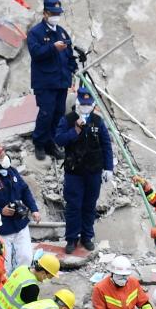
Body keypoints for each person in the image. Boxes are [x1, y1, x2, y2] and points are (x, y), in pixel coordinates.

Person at [54, 87, 114, 253]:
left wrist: (109, 168)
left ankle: (87, 236)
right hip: (74, 172)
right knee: (73, 206)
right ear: (78, 102)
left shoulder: (98, 121)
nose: (86, 107)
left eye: (89, 104)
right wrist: (75, 130)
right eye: (83, 104)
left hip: (93, 172)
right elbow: (59, 139)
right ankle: (71, 239)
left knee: (89, 205)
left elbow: (106, 145)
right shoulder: (68, 120)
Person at [0, 143, 41, 273]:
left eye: (4, 153)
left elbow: (25, 190)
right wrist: (0, 211)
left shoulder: (12, 172)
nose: (5, 157)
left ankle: (23, 285)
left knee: (26, 258)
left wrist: (34, 209)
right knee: (6, 265)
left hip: (21, 224)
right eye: (0, 155)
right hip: (3, 230)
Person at [27, 0, 77, 162]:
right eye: (53, 13)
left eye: (58, 13)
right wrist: (52, 48)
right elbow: (36, 53)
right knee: (46, 113)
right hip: (45, 82)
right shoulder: (36, 33)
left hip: (61, 81)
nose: (56, 16)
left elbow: (69, 54)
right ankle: (39, 143)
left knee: (58, 113)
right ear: (45, 13)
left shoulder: (62, 31)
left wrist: (72, 67)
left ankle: (51, 143)